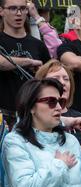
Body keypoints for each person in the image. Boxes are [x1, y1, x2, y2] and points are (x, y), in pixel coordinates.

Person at [0, 0, 51, 128]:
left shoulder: (38, 45)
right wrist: (28, 62)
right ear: (1, 11)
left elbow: (48, 78)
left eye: (23, 8)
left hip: (32, 114)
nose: (19, 13)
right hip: (3, 115)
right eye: (13, 8)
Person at [35, 59, 81, 145]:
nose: (62, 83)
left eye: (66, 79)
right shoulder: (36, 115)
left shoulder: (80, 117)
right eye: (56, 78)